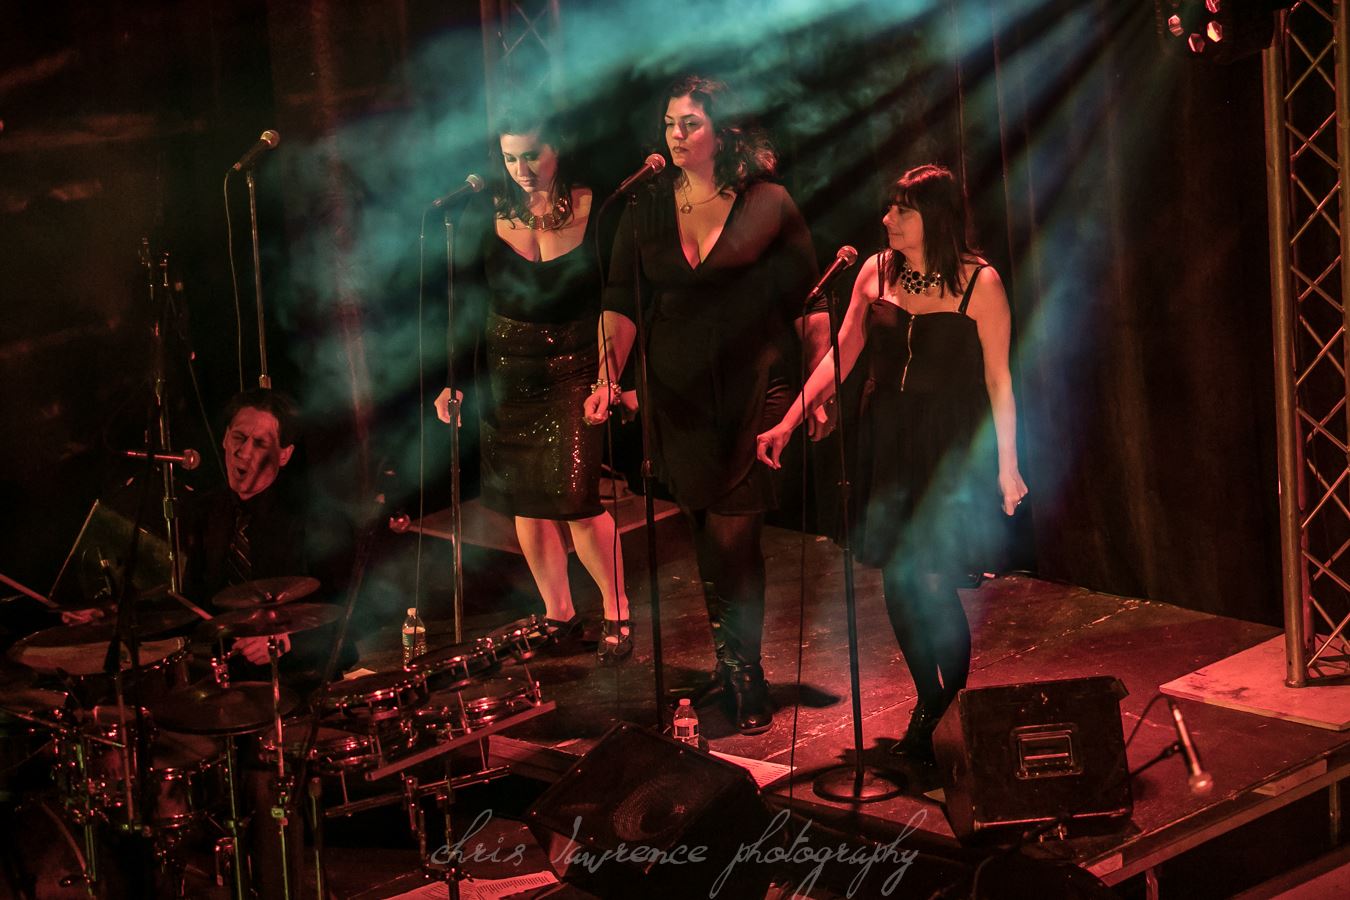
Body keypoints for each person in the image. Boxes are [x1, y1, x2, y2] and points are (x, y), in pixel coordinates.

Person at [757, 164, 1029, 763]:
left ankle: (945, 708)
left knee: (930, 579)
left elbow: (999, 381)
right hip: (886, 439)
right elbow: (841, 355)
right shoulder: (876, 271)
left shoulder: (979, 283)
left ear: (935, 217)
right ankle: (932, 702)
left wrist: (1008, 464)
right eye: (889, 207)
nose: (887, 219)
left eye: (902, 210)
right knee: (899, 579)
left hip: (946, 446)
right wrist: (788, 422)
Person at [584, 75, 823, 734]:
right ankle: (729, 660)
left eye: (690, 122)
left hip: (757, 389)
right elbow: (619, 303)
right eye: (669, 123)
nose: (676, 134)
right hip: (676, 396)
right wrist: (607, 378)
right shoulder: (644, 207)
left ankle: (746, 674)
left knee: (734, 538)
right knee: (704, 536)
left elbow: (810, 301)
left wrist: (817, 390)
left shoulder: (769, 203)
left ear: (724, 132)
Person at [434, 104, 633, 665]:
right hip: (507, 373)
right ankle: (559, 614)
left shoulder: (600, 206)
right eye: (509, 158)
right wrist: (453, 381)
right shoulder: (484, 211)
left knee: (576, 497)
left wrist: (610, 376)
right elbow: (466, 306)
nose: (521, 169)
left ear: (557, 148)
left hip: (574, 365)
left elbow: (617, 296)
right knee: (527, 502)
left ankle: (617, 609)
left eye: (531, 156)